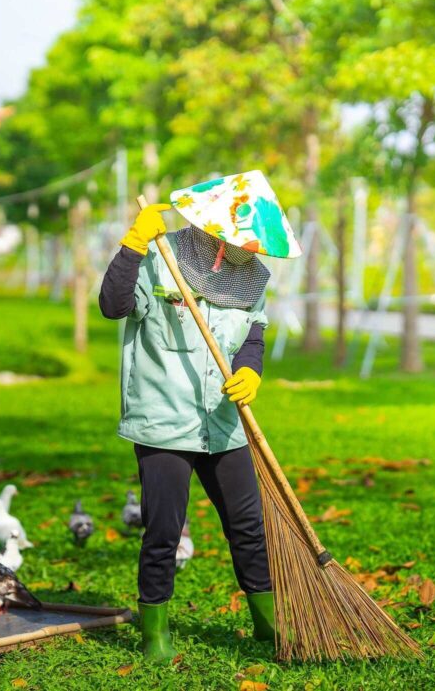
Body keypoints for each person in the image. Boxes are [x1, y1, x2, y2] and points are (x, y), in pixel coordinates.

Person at [98, 172, 301, 663]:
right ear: (216, 229)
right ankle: (155, 635)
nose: (252, 253)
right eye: (244, 242)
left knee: (248, 527)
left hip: (223, 423)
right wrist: (132, 247)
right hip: (163, 422)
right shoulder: (161, 259)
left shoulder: (252, 279)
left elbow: (251, 336)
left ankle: (267, 625)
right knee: (164, 530)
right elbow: (113, 305)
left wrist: (251, 374)